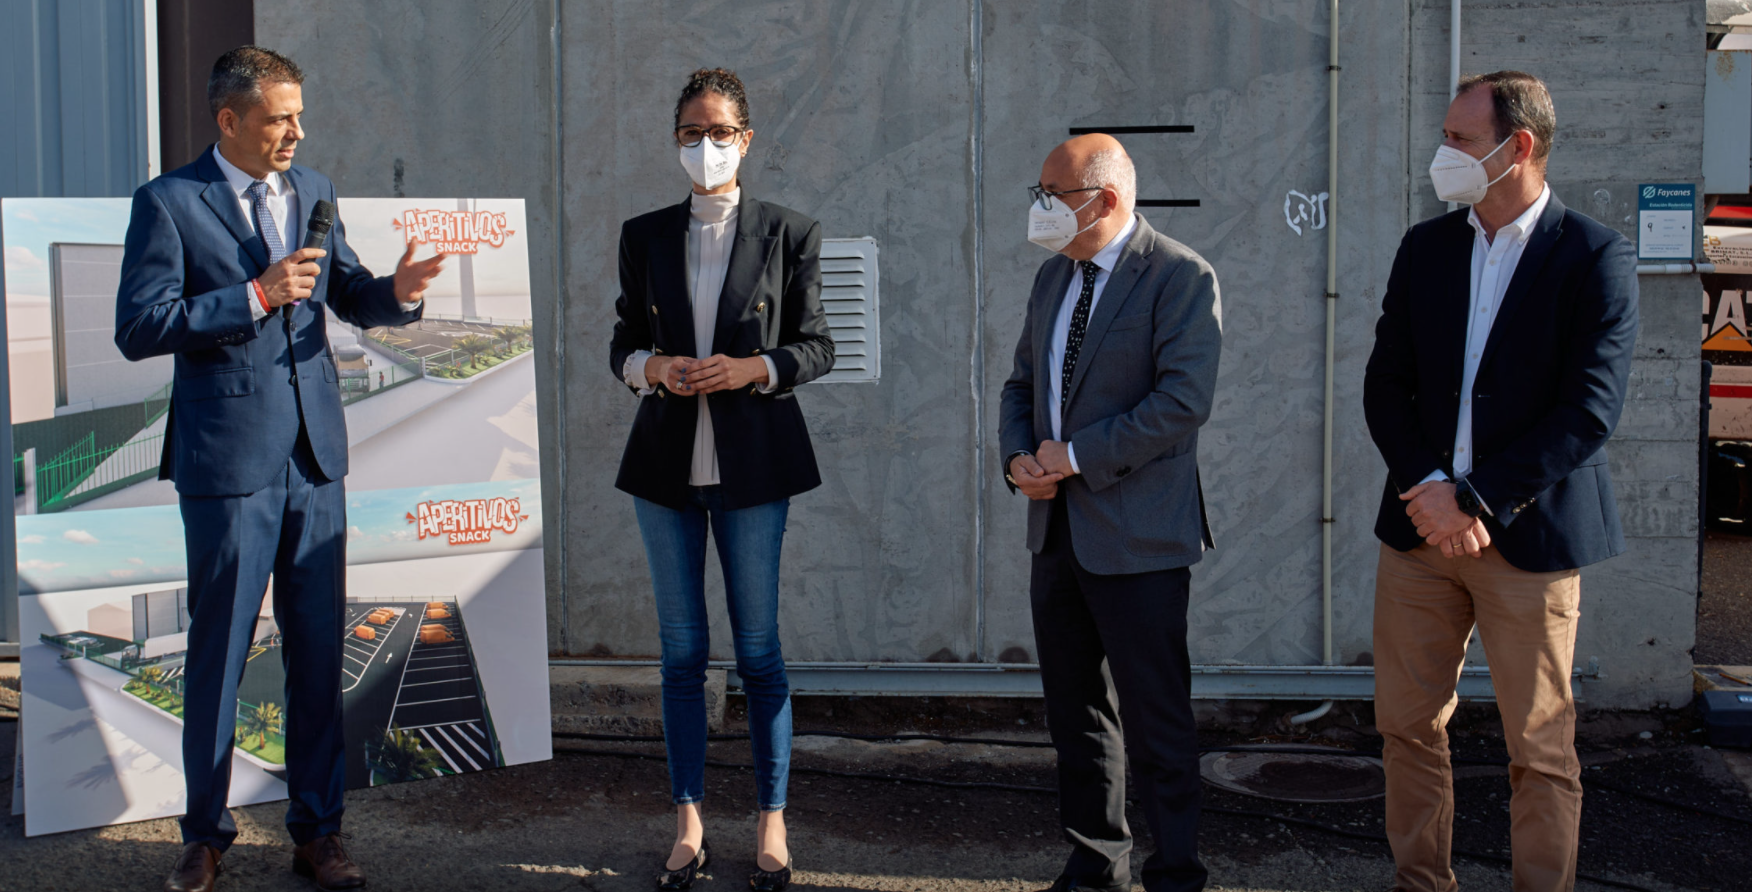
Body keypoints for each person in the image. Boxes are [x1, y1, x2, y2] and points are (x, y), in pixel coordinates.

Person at [115, 46, 443, 892]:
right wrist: (254, 296)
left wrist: (398, 293)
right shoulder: (169, 203)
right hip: (226, 463)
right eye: (279, 117)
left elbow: (350, 292)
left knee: (316, 652)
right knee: (219, 655)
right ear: (230, 121)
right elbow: (141, 325)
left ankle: (319, 832)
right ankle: (204, 835)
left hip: (316, 458)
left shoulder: (314, 189)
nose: (297, 131)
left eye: (300, 114)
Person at [1363, 71, 1639, 892]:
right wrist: (1428, 488)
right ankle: (1423, 883)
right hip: (1419, 534)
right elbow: (1386, 384)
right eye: (1446, 136)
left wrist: (1475, 499)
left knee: (1540, 747)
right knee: (1408, 729)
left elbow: (1589, 412)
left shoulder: (1593, 254)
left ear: (1518, 147)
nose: (1443, 154)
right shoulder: (1428, 247)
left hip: (1530, 539)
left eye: (1460, 140)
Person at [607, 67, 834, 892]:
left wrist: (753, 369)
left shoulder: (789, 232)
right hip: (666, 466)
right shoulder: (645, 234)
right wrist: (653, 366)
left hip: (754, 463)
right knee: (680, 654)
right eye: (690, 134)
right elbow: (621, 344)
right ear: (676, 141)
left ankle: (772, 820)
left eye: (720, 132)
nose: (705, 147)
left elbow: (818, 346)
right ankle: (688, 819)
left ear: (747, 137)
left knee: (760, 650)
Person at [999, 134, 1222, 892]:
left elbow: (1182, 403)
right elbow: (1020, 388)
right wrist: (1017, 460)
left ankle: (1176, 873)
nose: (1040, 208)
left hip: (1142, 537)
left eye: (1051, 194)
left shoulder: (1180, 276)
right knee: (1077, 712)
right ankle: (1097, 860)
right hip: (1056, 530)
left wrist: (1077, 454)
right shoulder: (1051, 279)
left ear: (1108, 199)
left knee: (1157, 717)